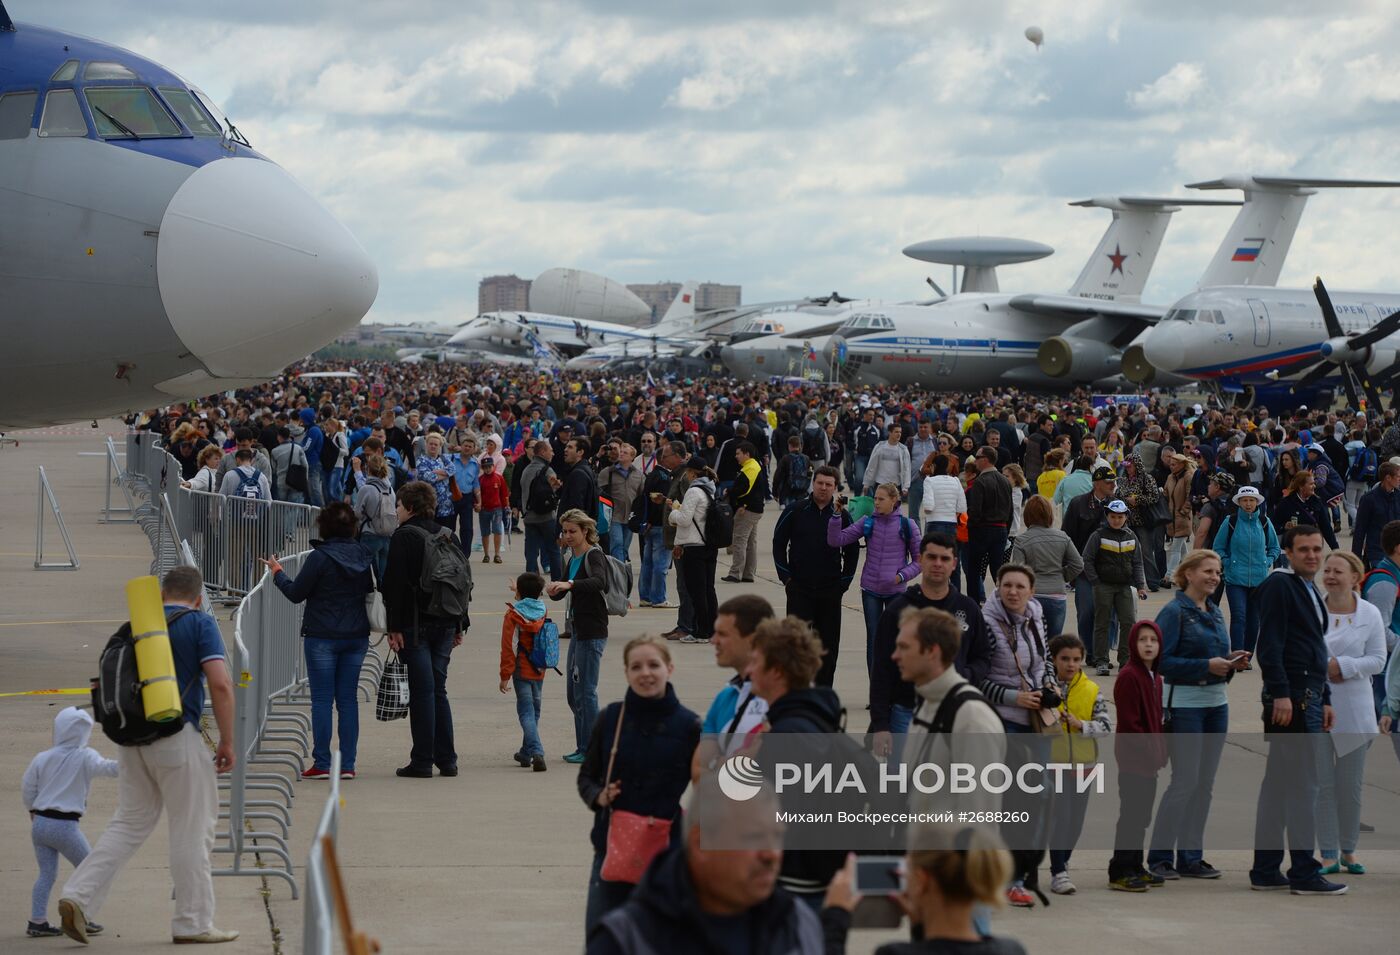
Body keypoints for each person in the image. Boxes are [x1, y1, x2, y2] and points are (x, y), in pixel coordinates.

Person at [58, 566, 238, 946]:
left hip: (131, 740)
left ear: (160, 595)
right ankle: (192, 922)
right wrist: (227, 741)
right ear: (198, 596)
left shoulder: (136, 626)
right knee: (192, 829)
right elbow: (220, 683)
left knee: (127, 824)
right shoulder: (200, 625)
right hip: (177, 736)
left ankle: (78, 895)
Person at [586, 776, 840, 954]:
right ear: (700, 843)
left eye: (776, 837)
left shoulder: (799, 924)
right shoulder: (626, 942)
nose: (771, 854)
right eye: (753, 837)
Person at [577, 636, 700, 934]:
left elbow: (710, 791)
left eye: (653, 665)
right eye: (636, 666)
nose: (645, 673)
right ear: (626, 673)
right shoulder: (610, 719)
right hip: (612, 849)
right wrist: (600, 796)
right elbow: (586, 777)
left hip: (665, 855)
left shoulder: (690, 726)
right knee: (602, 942)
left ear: (669, 668)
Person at [1249, 524, 1346, 895]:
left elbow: (1313, 648)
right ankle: (1305, 873)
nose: (1312, 556)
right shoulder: (1280, 585)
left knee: (1278, 788)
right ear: (1287, 553)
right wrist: (1281, 695)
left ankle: (1266, 870)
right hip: (1290, 702)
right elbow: (1270, 646)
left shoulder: (1308, 589)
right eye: (1303, 549)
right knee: (1304, 788)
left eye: (1317, 549)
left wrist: (1325, 700)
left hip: (1307, 698)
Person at [261, 502, 374, 780]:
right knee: (348, 700)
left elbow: (297, 593)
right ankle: (348, 763)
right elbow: (370, 589)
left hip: (322, 633)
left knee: (322, 699)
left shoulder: (319, 557)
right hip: (356, 633)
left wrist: (277, 572)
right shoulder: (363, 554)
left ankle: (322, 761)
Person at [1148, 549, 1241, 882]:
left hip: (1217, 705)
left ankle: (1191, 857)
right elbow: (1159, 661)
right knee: (1185, 782)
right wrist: (1206, 666)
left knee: (1204, 785)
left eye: (1218, 572)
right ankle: (1159, 857)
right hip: (1184, 707)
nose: (1215, 577)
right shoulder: (1174, 612)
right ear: (1188, 573)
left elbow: (1216, 658)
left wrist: (1230, 662)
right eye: (1208, 572)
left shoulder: (1215, 611)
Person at [747, 616, 847, 908]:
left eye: (756, 662)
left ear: (777, 672)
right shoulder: (811, 719)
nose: (749, 670)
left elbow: (783, 820)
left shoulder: (789, 736)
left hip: (795, 887)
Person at [870, 532, 996, 755]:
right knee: (901, 785)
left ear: (954, 564)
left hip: (956, 711)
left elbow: (983, 656)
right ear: (920, 559)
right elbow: (881, 668)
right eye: (932, 557)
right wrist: (880, 724)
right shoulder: (897, 610)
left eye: (945, 559)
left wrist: (964, 675)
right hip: (906, 712)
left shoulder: (968, 608)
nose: (938, 564)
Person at [383, 480, 469, 779]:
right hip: (446, 622)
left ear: (409, 507)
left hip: (414, 626)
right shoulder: (448, 535)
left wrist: (393, 627)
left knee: (423, 691)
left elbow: (393, 586)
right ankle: (447, 760)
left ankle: (421, 760)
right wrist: (460, 623)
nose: (396, 510)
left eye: (398, 505)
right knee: (438, 690)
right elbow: (462, 583)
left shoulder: (404, 536)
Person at [976, 563, 1050, 907]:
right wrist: (1014, 697)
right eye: (1007, 585)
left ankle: (1021, 873)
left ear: (1031, 591)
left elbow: (1043, 661)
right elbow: (977, 678)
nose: (1013, 591)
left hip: (1034, 719)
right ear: (998, 587)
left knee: (1035, 801)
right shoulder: (986, 622)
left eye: (1021, 586)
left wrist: (1048, 687)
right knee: (1005, 805)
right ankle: (1003, 877)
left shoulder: (1036, 614)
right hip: (1003, 720)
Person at [1315, 551, 1387, 874]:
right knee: (1324, 786)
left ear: (1355, 577)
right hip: (1318, 706)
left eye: (1337, 571)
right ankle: (1328, 853)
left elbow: (1378, 660)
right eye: (1327, 570)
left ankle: (1349, 850)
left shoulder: (1369, 613)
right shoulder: (1312, 609)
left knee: (1351, 785)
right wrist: (1322, 669)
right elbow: (1299, 649)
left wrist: (1342, 666)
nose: (1330, 576)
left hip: (1356, 708)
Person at [22, 708, 116, 938]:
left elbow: (28, 787)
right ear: (84, 732)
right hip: (65, 826)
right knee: (90, 870)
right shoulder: (85, 755)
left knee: (46, 874)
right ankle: (82, 917)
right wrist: (134, 762)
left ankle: (37, 921)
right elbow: (108, 768)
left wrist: (32, 808)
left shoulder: (42, 757)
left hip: (40, 823)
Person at [867, 823, 1027, 955]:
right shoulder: (1011, 950)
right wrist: (920, 926)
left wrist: (841, 913)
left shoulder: (892, 953)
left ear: (922, 880)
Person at [773, 465, 859, 687]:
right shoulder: (795, 510)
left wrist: (844, 582)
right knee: (795, 645)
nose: (823, 488)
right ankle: (793, 690)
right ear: (813, 484)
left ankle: (823, 693)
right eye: (820, 483)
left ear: (835, 488)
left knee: (827, 647)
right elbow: (778, 544)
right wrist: (786, 578)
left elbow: (852, 551)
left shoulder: (842, 515)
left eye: (828, 484)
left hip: (830, 590)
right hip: (799, 588)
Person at [828, 483, 920, 677]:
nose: (876, 503)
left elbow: (920, 560)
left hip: (896, 593)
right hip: (871, 591)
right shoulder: (868, 522)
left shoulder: (907, 525)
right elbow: (836, 540)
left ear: (894, 501)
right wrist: (836, 515)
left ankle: (894, 688)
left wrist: (901, 576)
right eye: (875, 498)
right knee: (874, 640)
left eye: (881, 499)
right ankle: (876, 690)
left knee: (896, 640)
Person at [1043, 633, 1110, 895]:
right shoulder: (1046, 690)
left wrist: (1081, 725)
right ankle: (1059, 871)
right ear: (1054, 660)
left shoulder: (1092, 690)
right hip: (1054, 766)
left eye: (1076, 659)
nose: (1071, 664)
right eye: (1065, 659)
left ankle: (1063, 860)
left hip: (1085, 766)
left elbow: (1105, 726)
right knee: (1061, 818)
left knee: (1076, 822)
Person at [1108, 620, 1169, 892]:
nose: (1148, 645)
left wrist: (1160, 750)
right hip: (1133, 762)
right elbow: (1131, 725)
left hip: (1150, 763)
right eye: (1143, 640)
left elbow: (1157, 720)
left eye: (1153, 640)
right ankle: (1120, 870)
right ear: (1133, 644)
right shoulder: (1129, 676)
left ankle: (1135, 865)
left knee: (1142, 816)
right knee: (1131, 816)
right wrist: (1149, 749)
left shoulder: (1155, 678)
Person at [549, 508, 611, 764]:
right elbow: (562, 591)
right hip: (578, 630)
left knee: (586, 692)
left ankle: (591, 750)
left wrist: (570, 584)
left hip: (593, 631)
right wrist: (552, 588)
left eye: (572, 531)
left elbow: (599, 582)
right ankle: (583, 745)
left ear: (585, 531)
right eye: (564, 531)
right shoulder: (572, 557)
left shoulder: (593, 555)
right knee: (574, 694)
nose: (568, 536)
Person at [693, 595, 775, 780]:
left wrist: (719, 765)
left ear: (753, 640)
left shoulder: (784, 697)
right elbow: (698, 773)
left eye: (722, 634)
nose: (713, 640)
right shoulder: (727, 695)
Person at [1080, 500, 1148, 675]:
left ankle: (1125, 660)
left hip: (1125, 587)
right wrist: (1095, 581)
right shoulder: (1098, 535)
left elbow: (1138, 563)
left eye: (1120, 517)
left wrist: (1140, 585)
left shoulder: (1132, 537)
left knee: (1128, 622)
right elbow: (1087, 559)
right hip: (1103, 586)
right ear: (1107, 516)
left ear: (1126, 517)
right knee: (1102, 623)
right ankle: (1101, 660)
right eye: (1113, 516)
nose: (1116, 520)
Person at [1213, 485, 1280, 655]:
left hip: (1259, 579)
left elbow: (1275, 548)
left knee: (1254, 621)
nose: (1248, 504)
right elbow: (1218, 548)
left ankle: (1247, 655)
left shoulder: (1265, 522)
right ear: (1239, 502)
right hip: (1235, 578)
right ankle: (1237, 654)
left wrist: (1267, 561)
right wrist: (1228, 563)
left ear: (1257, 502)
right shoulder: (1231, 521)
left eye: (1251, 500)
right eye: (1245, 500)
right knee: (1239, 617)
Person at [1009, 495, 1082, 636]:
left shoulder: (1021, 540)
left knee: (1032, 642)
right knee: (1053, 643)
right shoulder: (1063, 537)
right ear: (1050, 514)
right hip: (1057, 595)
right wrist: (1062, 576)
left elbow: (1018, 572)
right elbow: (1078, 564)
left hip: (1032, 595)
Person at [500, 571, 551, 772]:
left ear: (519, 592)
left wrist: (505, 675)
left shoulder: (513, 615)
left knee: (526, 712)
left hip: (522, 668)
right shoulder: (542, 609)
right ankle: (526, 752)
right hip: (540, 667)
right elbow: (530, 600)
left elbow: (508, 646)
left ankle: (537, 751)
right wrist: (520, 591)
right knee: (535, 710)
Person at [668, 458, 720, 644]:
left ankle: (701, 631)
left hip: (694, 546)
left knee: (696, 591)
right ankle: (712, 629)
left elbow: (683, 520)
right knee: (708, 589)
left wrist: (673, 512)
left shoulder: (694, 491)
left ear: (692, 473)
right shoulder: (710, 489)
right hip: (709, 545)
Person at [963, 448, 1013, 603]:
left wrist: (970, 529)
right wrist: (1006, 530)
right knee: (998, 571)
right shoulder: (1005, 480)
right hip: (1001, 529)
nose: (975, 460)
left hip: (982, 529)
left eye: (977, 457)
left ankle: (974, 604)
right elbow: (1010, 511)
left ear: (985, 460)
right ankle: (1003, 603)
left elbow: (975, 511)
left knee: (974, 570)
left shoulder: (980, 481)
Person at [636, 441, 681, 609]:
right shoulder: (663, 478)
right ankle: (658, 598)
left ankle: (646, 596)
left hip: (649, 524)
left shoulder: (652, 475)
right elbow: (659, 504)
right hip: (659, 525)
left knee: (648, 563)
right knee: (661, 564)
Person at [918, 453, 967, 591]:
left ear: (933, 466)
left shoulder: (929, 481)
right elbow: (962, 507)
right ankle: (956, 592)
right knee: (952, 561)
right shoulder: (956, 481)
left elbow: (928, 507)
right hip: (951, 525)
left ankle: (932, 591)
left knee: (931, 560)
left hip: (934, 524)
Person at [1117, 452, 1164, 590]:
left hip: (1143, 521)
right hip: (1128, 522)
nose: (1127, 468)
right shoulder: (1123, 480)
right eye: (1126, 466)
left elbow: (1154, 497)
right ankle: (1131, 582)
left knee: (1147, 553)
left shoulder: (1147, 478)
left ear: (1137, 465)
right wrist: (1123, 498)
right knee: (1128, 552)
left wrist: (1137, 500)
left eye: (1130, 466)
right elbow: (1118, 494)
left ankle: (1154, 582)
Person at [724, 441, 766, 583]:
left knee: (739, 540)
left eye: (738, 453)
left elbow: (744, 490)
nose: (736, 456)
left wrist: (729, 492)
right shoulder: (752, 466)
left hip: (748, 510)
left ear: (747, 454)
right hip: (755, 508)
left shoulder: (750, 469)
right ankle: (748, 574)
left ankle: (735, 573)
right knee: (750, 542)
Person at [353, 454, 397, 584]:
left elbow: (358, 514)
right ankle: (382, 600)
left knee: (369, 576)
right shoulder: (390, 489)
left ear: (367, 469)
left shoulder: (366, 489)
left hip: (370, 533)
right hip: (387, 534)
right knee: (383, 576)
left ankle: (372, 602)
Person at [520, 439, 561, 578]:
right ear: (543, 452)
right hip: (546, 516)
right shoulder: (547, 471)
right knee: (553, 550)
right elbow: (553, 493)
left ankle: (531, 583)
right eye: (551, 450)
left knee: (531, 553)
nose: (553, 453)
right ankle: (556, 582)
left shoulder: (526, 470)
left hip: (529, 517)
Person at [599, 443, 643, 563]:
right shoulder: (608, 472)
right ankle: (620, 573)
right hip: (614, 516)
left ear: (632, 457)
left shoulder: (638, 475)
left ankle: (619, 570)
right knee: (617, 544)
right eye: (621, 451)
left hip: (630, 517)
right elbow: (598, 491)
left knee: (624, 548)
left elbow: (640, 495)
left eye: (625, 452)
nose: (621, 454)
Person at [1352, 461, 1400, 567]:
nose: (1399, 479)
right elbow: (1360, 530)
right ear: (1388, 478)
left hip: (1397, 553)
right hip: (1376, 554)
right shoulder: (1369, 499)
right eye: (1398, 476)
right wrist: (1356, 558)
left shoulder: (1398, 497)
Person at [1162, 448, 1196, 583]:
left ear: (1182, 464)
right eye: (1170, 464)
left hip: (1182, 518)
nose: (1171, 467)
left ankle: (1169, 576)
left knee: (1175, 548)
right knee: (1182, 550)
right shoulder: (1170, 477)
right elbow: (1166, 493)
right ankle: (1190, 574)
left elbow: (1190, 496)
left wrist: (1184, 511)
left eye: (1174, 464)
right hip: (1172, 518)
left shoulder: (1189, 476)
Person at [475, 455, 509, 564]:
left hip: (497, 509)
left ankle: (497, 554)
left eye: (489, 467)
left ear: (493, 466)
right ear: (482, 468)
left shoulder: (499, 478)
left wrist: (506, 506)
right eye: (485, 467)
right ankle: (486, 554)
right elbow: (475, 494)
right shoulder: (480, 480)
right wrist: (476, 505)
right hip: (484, 509)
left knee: (497, 531)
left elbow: (504, 493)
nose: (487, 469)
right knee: (485, 532)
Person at [863, 422, 911, 498]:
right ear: (890, 433)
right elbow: (871, 465)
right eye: (896, 432)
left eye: (900, 432)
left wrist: (906, 487)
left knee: (894, 509)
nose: (899, 434)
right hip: (880, 483)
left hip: (895, 485)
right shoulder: (880, 446)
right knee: (879, 508)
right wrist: (867, 483)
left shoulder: (903, 449)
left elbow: (906, 468)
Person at [772, 434, 813, 507]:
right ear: (800, 445)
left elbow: (778, 476)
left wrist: (775, 492)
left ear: (789, 446)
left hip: (788, 491)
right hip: (803, 490)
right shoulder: (806, 458)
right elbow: (810, 472)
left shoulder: (786, 459)